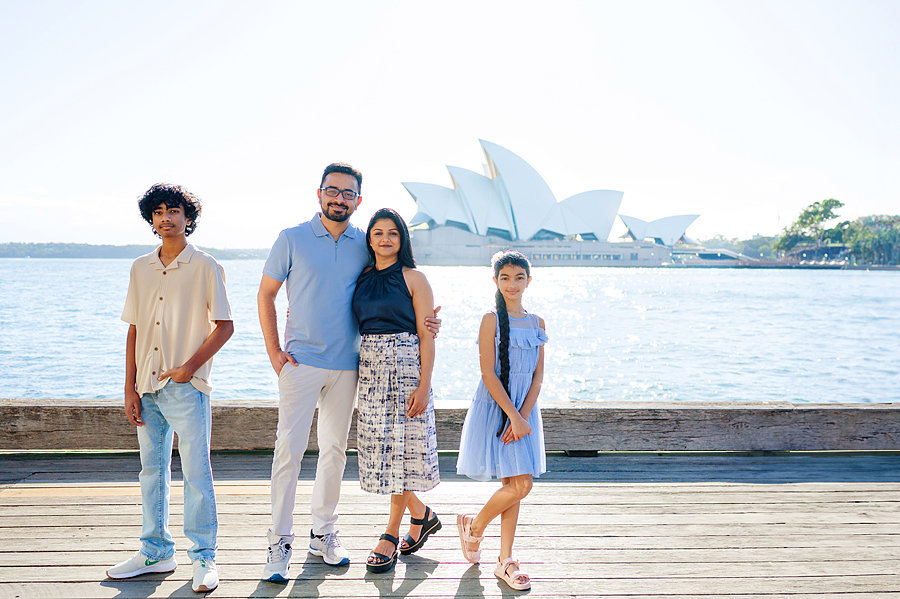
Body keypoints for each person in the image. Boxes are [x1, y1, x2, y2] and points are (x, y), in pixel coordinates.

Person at [258, 164, 440, 582]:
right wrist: (275, 352)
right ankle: (278, 543)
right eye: (332, 190)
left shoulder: (365, 242)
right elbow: (266, 294)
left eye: (348, 193)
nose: (339, 198)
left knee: (335, 453)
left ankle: (323, 533)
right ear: (319, 193)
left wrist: (427, 323)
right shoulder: (292, 238)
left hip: (350, 367)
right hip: (301, 363)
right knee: (289, 452)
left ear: (358, 200)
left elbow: (394, 292)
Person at [107, 184, 234, 593]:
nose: (166, 218)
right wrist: (129, 387)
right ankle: (156, 552)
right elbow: (135, 328)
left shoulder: (205, 266)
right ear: (151, 219)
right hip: (146, 387)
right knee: (151, 472)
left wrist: (187, 369)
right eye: (158, 211)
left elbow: (225, 326)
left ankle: (203, 557)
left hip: (186, 386)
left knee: (196, 472)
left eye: (174, 210)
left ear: (188, 217)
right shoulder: (140, 267)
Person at [351, 208, 441, 574]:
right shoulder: (360, 277)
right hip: (370, 366)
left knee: (402, 451)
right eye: (377, 233)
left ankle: (391, 533)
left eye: (393, 233)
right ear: (369, 239)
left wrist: (424, 385)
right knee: (383, 452)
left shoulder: (414, 277)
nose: (385, 239)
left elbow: (426, 334)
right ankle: (421, 515)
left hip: (406, 365)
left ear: (402, 239)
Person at [455, 250, 547, 592]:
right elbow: (488, 374)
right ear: (495, 281)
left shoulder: (537, 322)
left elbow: (538, 378)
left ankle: (502, 556)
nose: (512, 284)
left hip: (524, 411)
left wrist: (523, 418)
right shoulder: (490, 319)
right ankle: (477, 530)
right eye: (505, 278)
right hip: (497, 408)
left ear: (528, 281)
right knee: (520, 486)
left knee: (517, 486)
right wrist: (512, 416)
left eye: (519, 278)